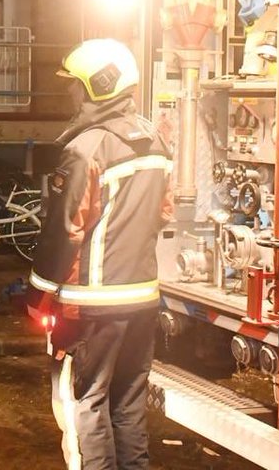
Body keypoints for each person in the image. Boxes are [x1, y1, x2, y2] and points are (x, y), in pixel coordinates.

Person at [26, 38, 172, 470]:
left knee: (82, 404)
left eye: (75, 84)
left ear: (97, 85)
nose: (70, 92)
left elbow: (65, 229)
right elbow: (163, 214)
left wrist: (39, 293)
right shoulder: (155, 143)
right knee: (127, 406)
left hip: (89, 306)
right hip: (142, 299)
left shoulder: (85, 149)